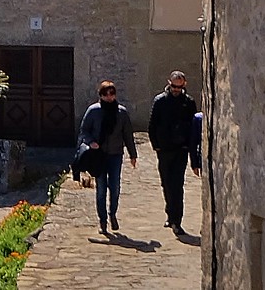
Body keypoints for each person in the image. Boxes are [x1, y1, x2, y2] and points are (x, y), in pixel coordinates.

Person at [148, 71, 203, 236]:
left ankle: (176, 221)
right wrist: (156, 145)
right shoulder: (160, 101)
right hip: (164, 149)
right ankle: (170, 213)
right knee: (166, 183)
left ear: (184, 85)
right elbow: (152, 124)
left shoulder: (188, 102)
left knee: (177, 185)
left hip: (181, 149)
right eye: (174, 86)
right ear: (169, 83)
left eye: (179, 87)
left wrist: (189, 148)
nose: (176, 90)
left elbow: (193, 128)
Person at [80, 80, 137, 233]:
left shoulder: (121, 113)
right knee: (101, 188)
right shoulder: (93, 111)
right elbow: (84, 130)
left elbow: (127, 134)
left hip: (115, 154)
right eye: (106, 94)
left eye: (112, 94)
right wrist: (91, 142)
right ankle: (102, 220)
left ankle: (113, 214)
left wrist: (133, 154)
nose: (109, 97)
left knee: (115, 186)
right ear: (101, 95)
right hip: (99, 155)